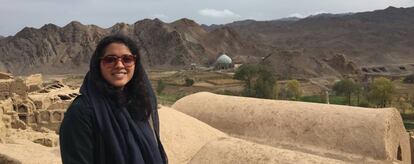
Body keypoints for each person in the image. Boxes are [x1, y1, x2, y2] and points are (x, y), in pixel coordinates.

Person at [59, 34, 168, 164]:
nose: (119, 65)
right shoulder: (82, 112)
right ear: (98, 64)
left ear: (135, 63)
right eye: (110, 60)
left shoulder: (139, 104)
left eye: (127, 59)